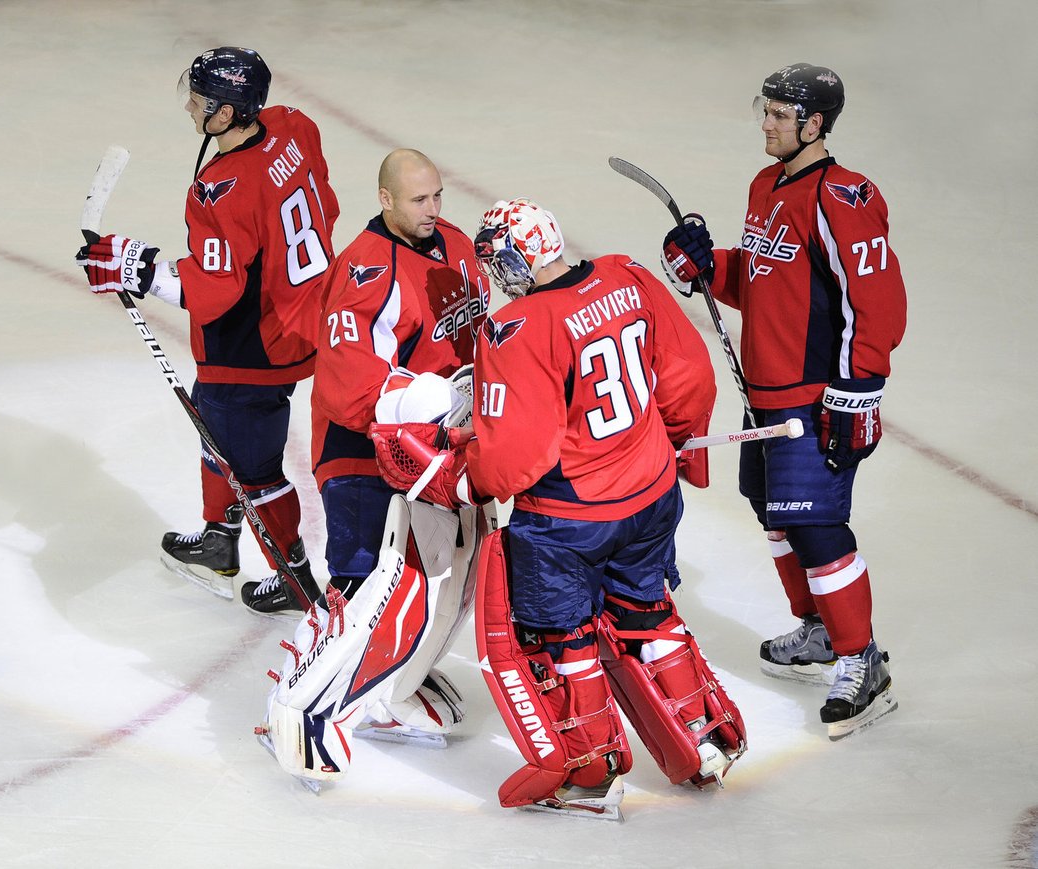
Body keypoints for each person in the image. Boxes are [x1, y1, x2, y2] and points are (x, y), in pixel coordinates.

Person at [374, 198, 747, 821]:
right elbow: (688, 376)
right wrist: (669, 442)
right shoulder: (628, 276)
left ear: (521, 258)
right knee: (647, 613)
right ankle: (707, 737)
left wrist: (462, 480)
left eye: (499, 260)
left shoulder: (516, 329)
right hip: (653, 494)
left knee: (561, 640)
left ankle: (589, 776)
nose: (497, 275)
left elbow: (516, 455)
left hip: (568, 519)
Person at [661, 63, 907, 740]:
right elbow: (769, 280)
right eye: (764, 110)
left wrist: (857, 392)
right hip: (762, 391)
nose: (765, 123)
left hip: (816, 396)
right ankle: (821, 632)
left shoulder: (844, 195)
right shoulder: (766, 185)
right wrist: (708, 268)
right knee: (773, 513)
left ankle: (863, 663)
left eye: (778, 114)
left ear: (815, 124)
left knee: (817, 527)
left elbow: (875, 300)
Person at [75, 47, 340, 616]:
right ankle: (219, 542)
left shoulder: (220, 189)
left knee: (256, 465)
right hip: (301, 315)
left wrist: (135, 266)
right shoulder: (294, 125)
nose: (191, 106)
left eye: (199, 98)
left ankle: (295, 582)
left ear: (225, 112)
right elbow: (325, 204)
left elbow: (211, 289)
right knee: (218, 430)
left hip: (252, 344)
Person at [306, 148, 488, 740]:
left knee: (440, 576)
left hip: (437, 446)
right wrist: (437, 401)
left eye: (438, 195)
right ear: (385, 200)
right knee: (363, 579)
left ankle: (389, 675)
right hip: (361, 449)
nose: (434, 209)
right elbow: (349, 383)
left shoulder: (457, 246)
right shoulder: (364, 271)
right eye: (419, 199)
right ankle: (315, 697)